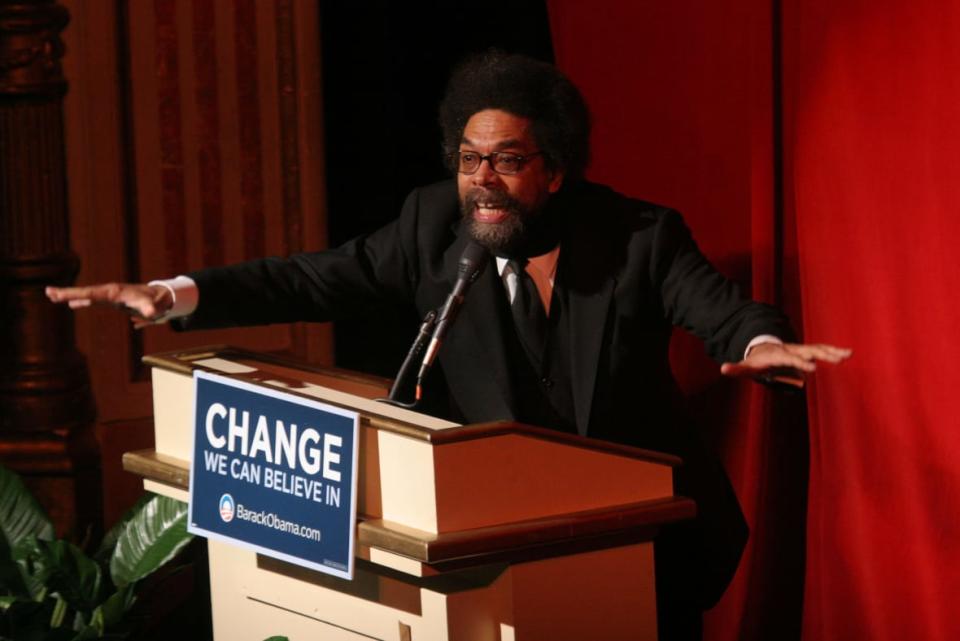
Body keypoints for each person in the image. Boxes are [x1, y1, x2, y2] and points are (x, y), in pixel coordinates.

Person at [47, 51, 850, 640]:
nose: (483, 181)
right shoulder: (433, 229)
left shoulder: (636, 238)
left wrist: (762, 340)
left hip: (638, 548)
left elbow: (715, 308)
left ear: (556, 169)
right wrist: (177, 293)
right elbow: (311, 278)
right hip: (492, 548)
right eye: (470, 160)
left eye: (506, 160)